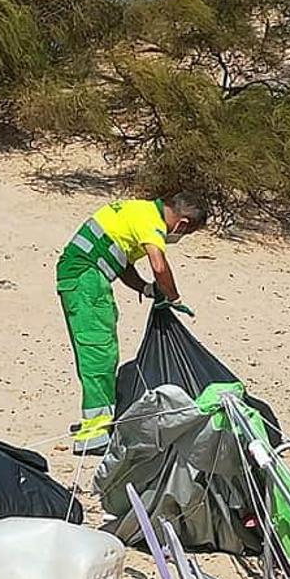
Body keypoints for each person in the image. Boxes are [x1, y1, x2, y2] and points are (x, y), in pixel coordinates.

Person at [56, 192, 209, 454]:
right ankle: (94, 434)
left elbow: (122, 264)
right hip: (85, 280)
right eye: (185, 233)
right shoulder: (152, 223)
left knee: (95, 351)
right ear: (182, 224)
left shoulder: (138, 211)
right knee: (99, 352)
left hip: (81, 278)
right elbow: (159, 266)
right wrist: (173, 298)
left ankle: (96, 422)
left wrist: (146, 289)